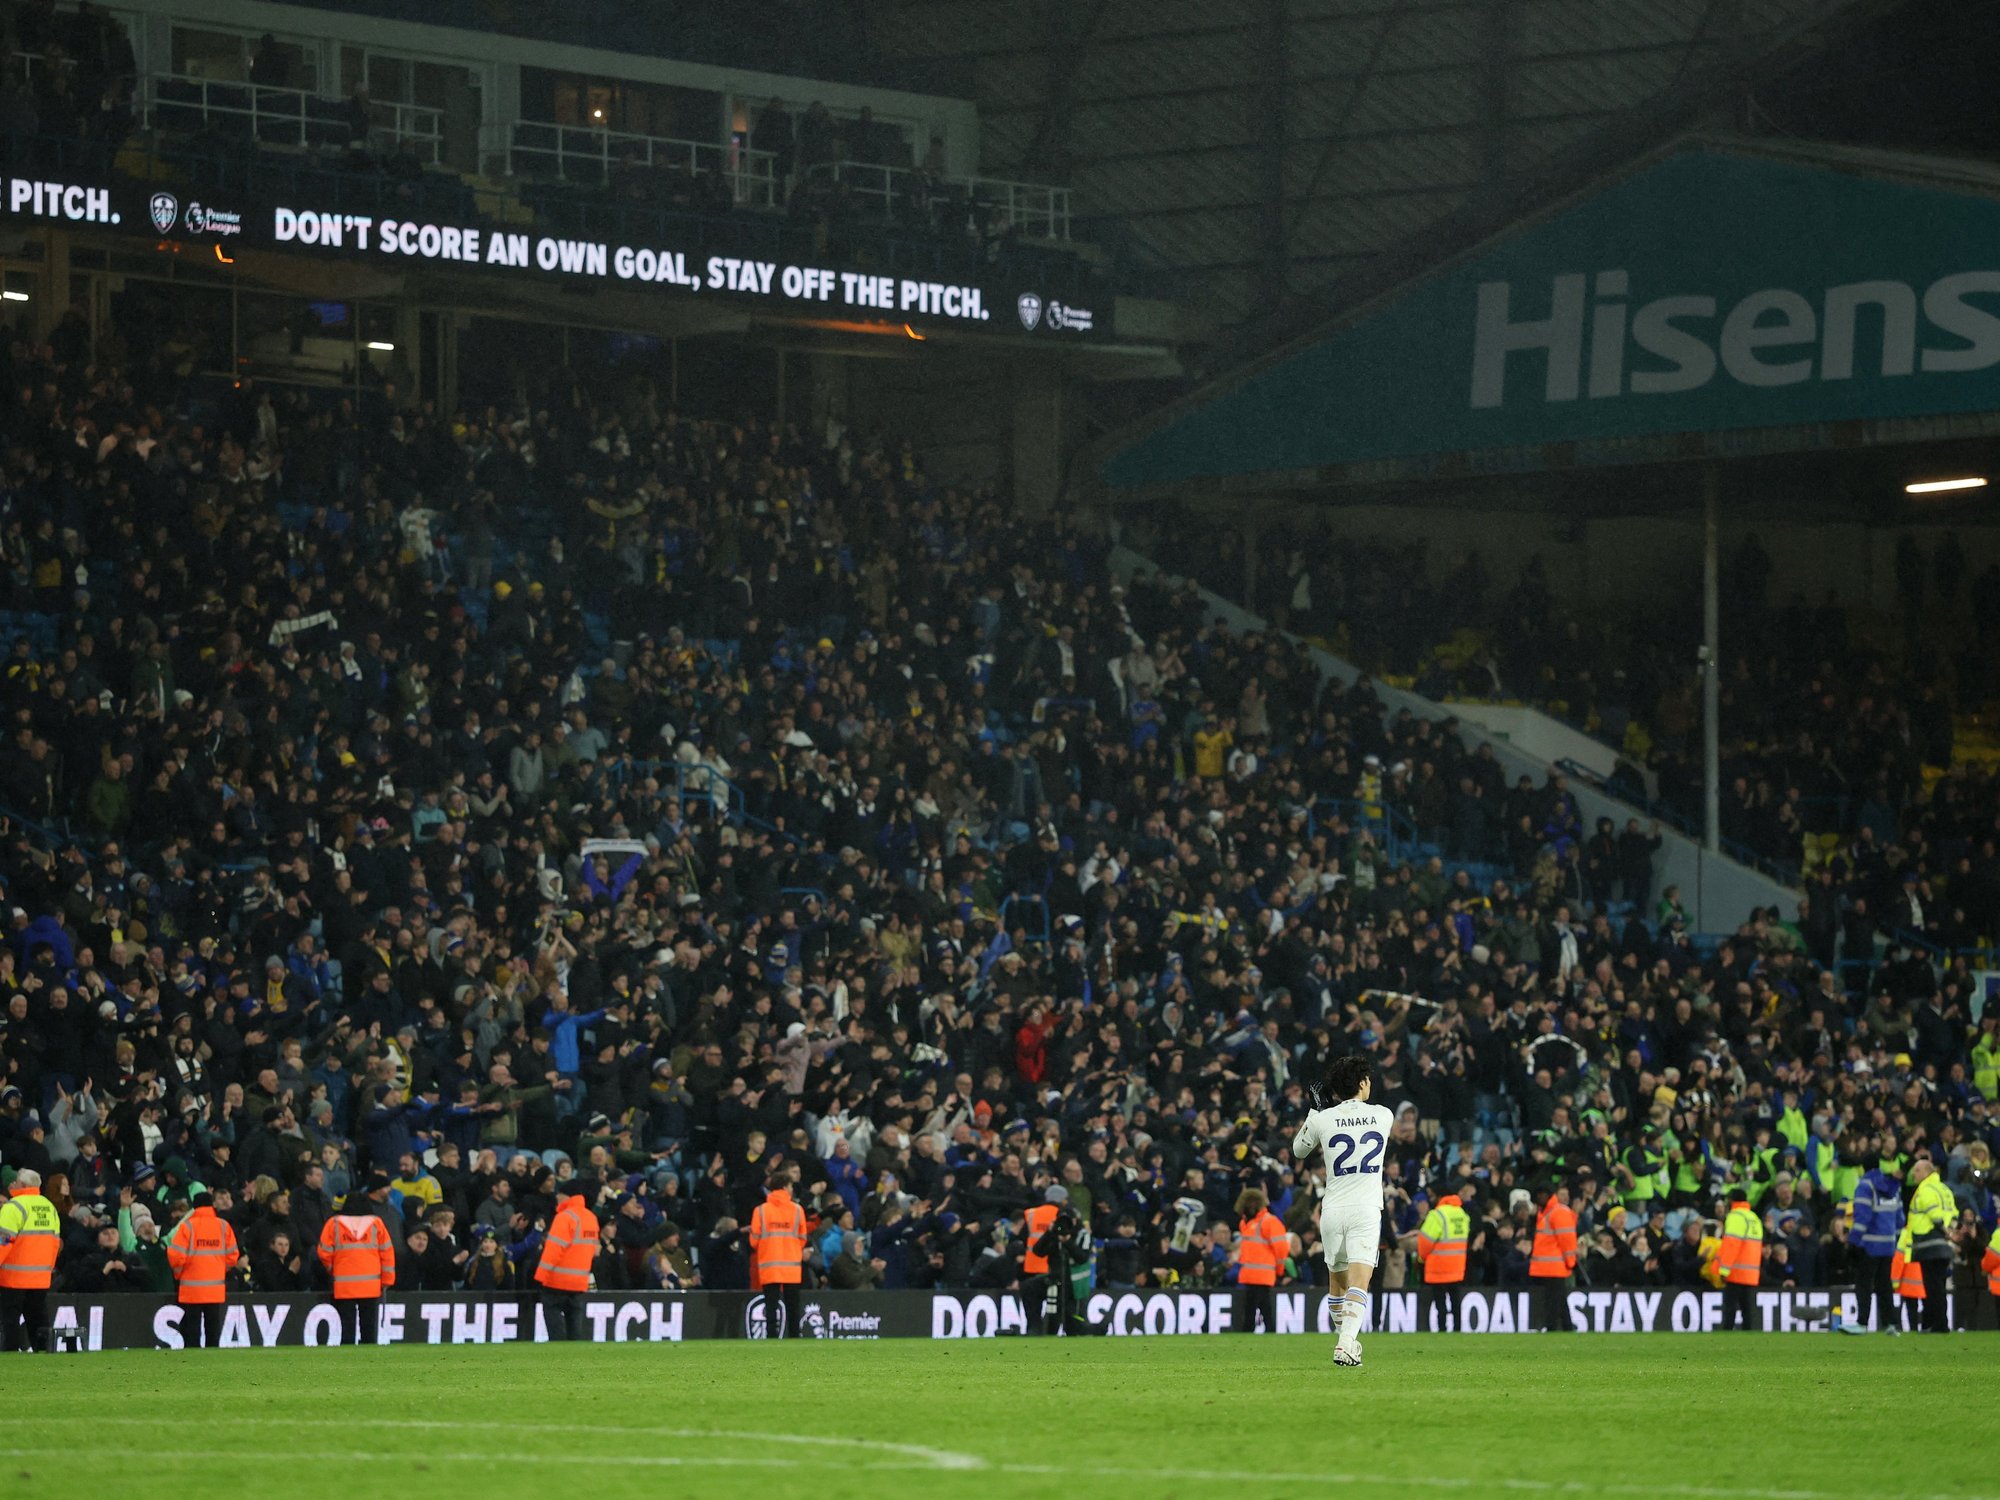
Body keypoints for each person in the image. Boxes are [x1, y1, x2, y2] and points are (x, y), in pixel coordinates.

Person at [1292, 1056, 1393, 1367]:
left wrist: (1316, 1110)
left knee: (1337, 1282)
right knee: (1359, 1282)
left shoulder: (1324, 1119)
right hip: (1365, 1208)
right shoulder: (1383, 1115)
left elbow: (1298, 1150)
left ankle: (1345, 1344)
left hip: (1332, 1210)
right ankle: (1346, 1342)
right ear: (1362, 1083)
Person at [316, 1176, 397, 1346]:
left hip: (344, 1285)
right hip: (371, 1285)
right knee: (369, 1330)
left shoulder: (334, 1223)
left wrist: (334, 1269)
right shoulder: (376, 1224)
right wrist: (387, 1280)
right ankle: (369, 1362)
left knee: (347, 1329)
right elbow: (387, 1254)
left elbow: (324, 1252)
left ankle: (348, 1363)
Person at [164, 1190, 241, 1349]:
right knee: (213, 1333)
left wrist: (180, 1274)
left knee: (192, 1334)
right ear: (211, 1205)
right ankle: (212, 1367)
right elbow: (233, 1256)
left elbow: (175, 1256)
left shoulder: (187, 1227)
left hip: (191, 1290)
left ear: (195, 1206)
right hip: (215, 1290)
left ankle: (192, 1367)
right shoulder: (223, 1226)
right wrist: (219, 1270)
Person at [0, 1168, 60, 1352]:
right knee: (38, 1319)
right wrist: (48, 1268)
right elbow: (55, 1243)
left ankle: (9, 1354)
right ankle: (43, 1353)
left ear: (23, 1185)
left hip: (13, 1276)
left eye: (16, 1182)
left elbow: (3, 1242)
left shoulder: (14, 1207)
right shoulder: (50, 1207)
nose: (13, 1185)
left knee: (9, 1320)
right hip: (40, 1277)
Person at [534, 1184, 600, 1341]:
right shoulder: (591, 1217)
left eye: (559, 1194)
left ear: (566, 1196)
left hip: (556, 1282)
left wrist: (540, 1277)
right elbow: (592, 1250)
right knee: (575, 1331)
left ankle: (558, 1361)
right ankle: (575, 1362)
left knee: (556, 1333)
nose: (556, 1198)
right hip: (579, 1283)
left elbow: (554, 1250)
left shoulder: (564, 1217)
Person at [1847, 1153, 1904, 1334]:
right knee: (1884, 1285)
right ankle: (1891, 1325)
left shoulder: (1865, 1186)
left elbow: (1863, 1217)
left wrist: (1853, 1241)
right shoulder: (1894, 1187)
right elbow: (1899, 1220)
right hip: (1887, 1245)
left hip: (1869, 1245)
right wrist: (1893, 1242)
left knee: (1864, 1284)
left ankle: (1862, 1323)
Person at [747, 1169, 805, 1339]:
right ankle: (795, 1336)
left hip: (769, 1265)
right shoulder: (797, 1210)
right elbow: (802, 1238)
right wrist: (791, 1249)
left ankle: (772, 1338)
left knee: (771, 1307)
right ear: (785, 1187)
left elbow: (754, 1241)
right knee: (793, 1307)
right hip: (792, 1266)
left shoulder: (761, 1211)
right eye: (791, 1186)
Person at [1906, 1157, 1957, 1334]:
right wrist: (1950, 1232)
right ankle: (1930, 1324)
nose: (1914, 1173)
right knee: (1938, 1286)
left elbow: (1934, 1216)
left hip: (1928, 1244)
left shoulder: (1925, 1189)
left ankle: (1939, 1325)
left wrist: (1943, 1229)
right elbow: (1954, 1213)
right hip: (1944, 1245)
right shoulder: (1945, 1189)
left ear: (1927, 1172)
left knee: (1932, 1287)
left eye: (1917, 1170)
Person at [1232, 1187, 1289, 1333]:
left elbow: (1282, 1248)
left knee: (1256, 1308)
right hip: (1252, 1275)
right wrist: (1279, 1269)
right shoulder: (1245, 1223)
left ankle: (1254, 1332)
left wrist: (1280, 1268)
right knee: (1260, 1307)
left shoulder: (1268, 1221)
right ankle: (1268, 1332)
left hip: (1261, 1275)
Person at [1415, 1188, 1471, 1332]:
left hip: (1438, 1265)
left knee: (1440, 1302)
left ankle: (1442, 1328)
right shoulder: (1462, 1214)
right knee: (1455, 1299)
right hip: (1457, 1265)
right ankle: (1457, 1328)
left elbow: (1425, 1241)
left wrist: (1422, 1257)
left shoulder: (1437, 1215)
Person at [1529, 1183, 1579, 1332]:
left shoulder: (1557, 1212)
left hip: (1555, 1265)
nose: (1540, 1197)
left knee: (1553, 1299)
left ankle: (1551, 1327)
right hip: (1550, 1265)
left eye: (1543, 1194)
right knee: (1559, 1298)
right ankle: (1567, 1326)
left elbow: (1567, 1239)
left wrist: (1570, 1262)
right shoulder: (1545, 1212)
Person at [1020, 1186, 1065, 1335]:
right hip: (1053, 1269)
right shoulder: (1064, 1215)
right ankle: (1051, 1331)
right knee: (1056, 1305)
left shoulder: (1031, 1213)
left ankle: (1034, 1329)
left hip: (1031, 1267)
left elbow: (1020, 1238)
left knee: (1033, 1304)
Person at [1719, 1190, 1764, 1331]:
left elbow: (1732, 1244)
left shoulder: (1735, 1216)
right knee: (1747, 1309)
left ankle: (1727, 1334)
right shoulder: (1754, 1218)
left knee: (1730, 1308)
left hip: (1736, 1270)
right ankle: (1748, 1337)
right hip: (1751, 1272)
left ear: (1731, 1201)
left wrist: (1724, 1270)